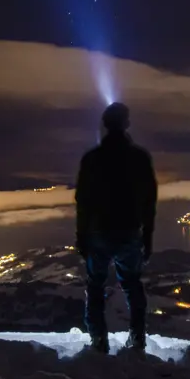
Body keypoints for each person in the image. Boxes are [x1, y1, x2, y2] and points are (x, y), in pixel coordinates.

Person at [74, 102, 157, 355]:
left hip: (98, 231)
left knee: (96, 285)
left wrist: (82, 234)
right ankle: (137, 338)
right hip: (129, 231)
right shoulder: (139, 158)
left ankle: (99, 340)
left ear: (105, 124)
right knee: (132, 284)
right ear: (127, 124)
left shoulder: (92, 159)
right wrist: (148, 235)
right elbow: (149, 199)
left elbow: (83, 200)